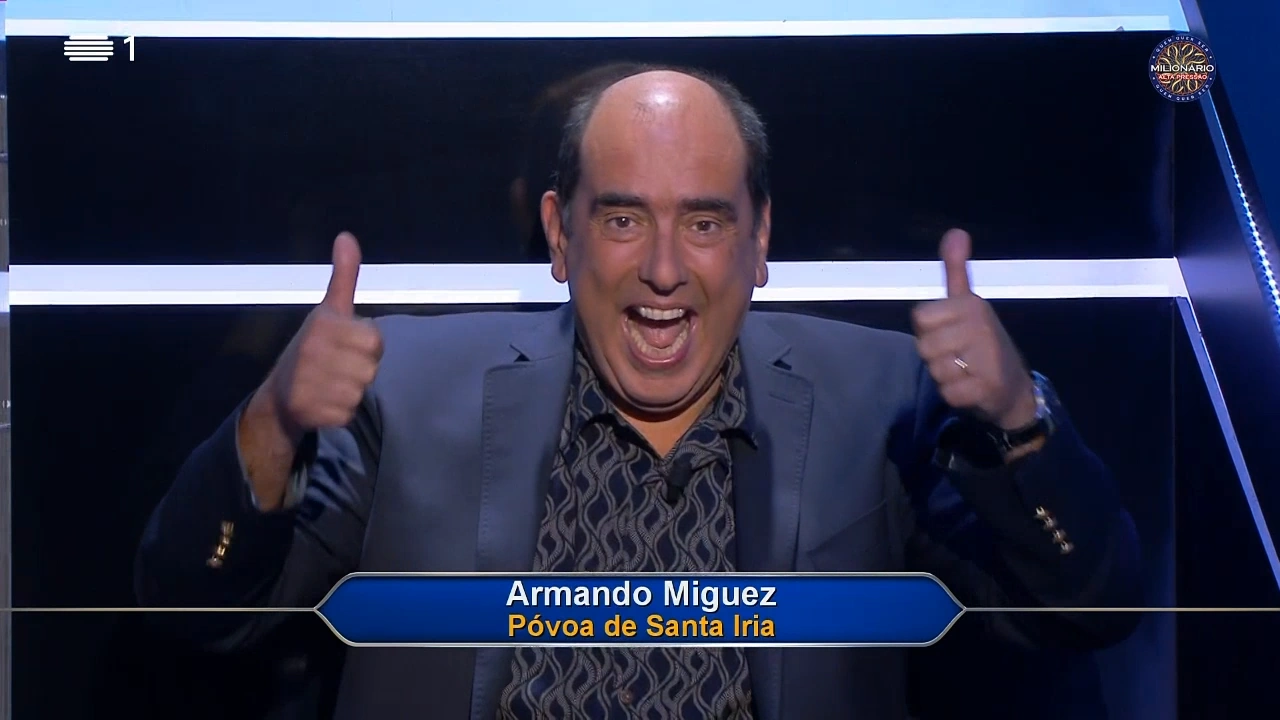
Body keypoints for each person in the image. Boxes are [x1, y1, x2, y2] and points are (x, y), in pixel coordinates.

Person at [136, 65, 1143, 720]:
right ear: (559, 233)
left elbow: (1089, 612)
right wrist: (273, 422)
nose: (664, 269)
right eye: (622, 220)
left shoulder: (880, 396)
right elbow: (196, 611)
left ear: (758, 240)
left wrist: (1020, 424)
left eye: (703, 223)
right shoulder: (406, 389)